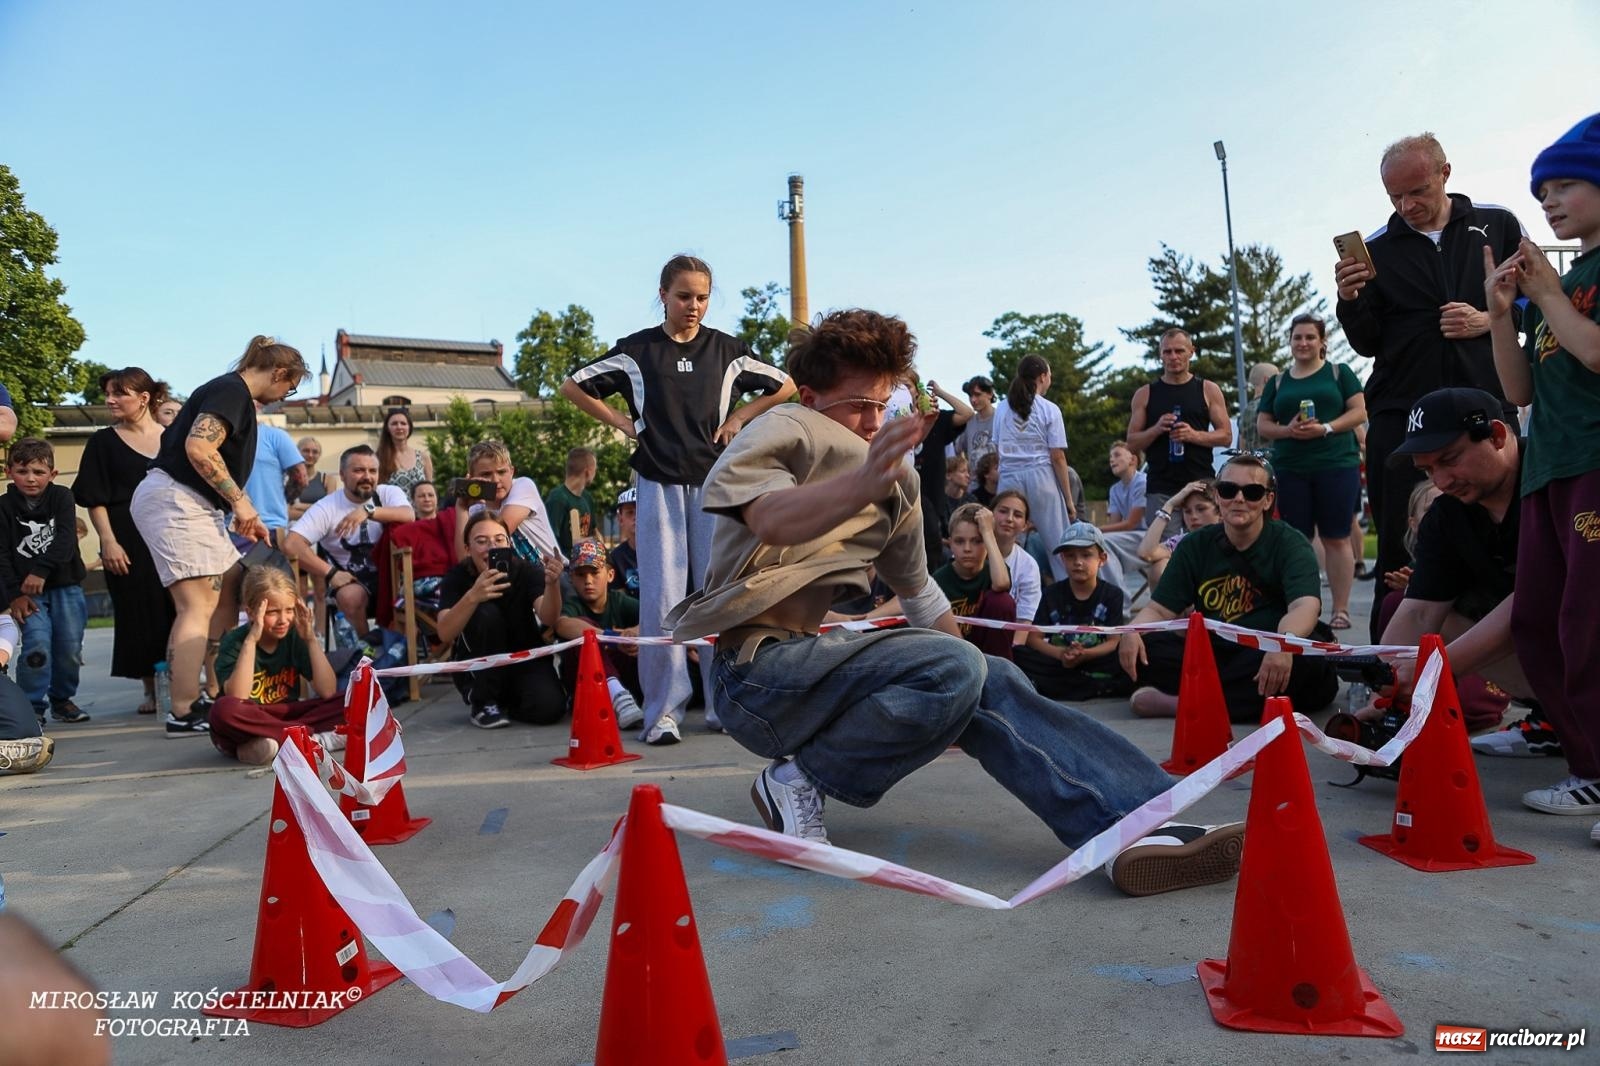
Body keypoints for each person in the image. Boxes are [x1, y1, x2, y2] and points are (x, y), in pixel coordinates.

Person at [665, 308, 1244, 896]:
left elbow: (920, 593)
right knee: (958, 667)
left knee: (975, 671)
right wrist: (857, 484)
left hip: (818, 668)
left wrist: (976, 680)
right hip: (755, 678)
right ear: (812, 396)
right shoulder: (785, 427)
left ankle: (1137, 823)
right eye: (858, 405)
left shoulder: (895, 482)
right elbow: (769, 518)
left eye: (882, 406)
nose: (871, 422)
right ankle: (799, 780)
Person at [559, 254, 795, 745]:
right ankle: (663, 710)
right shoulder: (637, 350)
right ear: (663, 294)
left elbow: (785, 385)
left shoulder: (727, 350)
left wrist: (739, 418)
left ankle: (722, 702)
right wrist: (624, 423)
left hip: (715, 482)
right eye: (684, 296)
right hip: (658, 479)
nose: (693, 306)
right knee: (664, 596)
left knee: (718, 591)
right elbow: (573, 385)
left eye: (702, 298)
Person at [1334, 132, 1525, 640]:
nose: (1407, 205)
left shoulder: (1497, 224)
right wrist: (1351, 299)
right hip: (1403, 414)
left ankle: (1512, 674)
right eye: (1394, 196)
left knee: (1510, 543)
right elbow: (1367, 340)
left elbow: (1536, 301)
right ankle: (1387, 675)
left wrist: (1487, 320)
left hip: (1485, 407)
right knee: (1400, 547)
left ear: (1445, 173)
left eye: (1417, 191)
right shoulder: (1376, 249)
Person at [1483, 114, 1600, 826]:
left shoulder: (1576, 280)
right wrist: (1503, 315)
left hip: (1594, 462)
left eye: (1565, 185)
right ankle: (1586, 763)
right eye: (1542, 191)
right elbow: (1521, 391)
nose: (1549, 201)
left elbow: (1595, 353)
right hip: (1548, 468)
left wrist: (1548, 293)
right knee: (1539, 621)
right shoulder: (1565, 280)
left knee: (1589, 622)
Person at [130, 335, 305, 736]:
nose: (283, 396)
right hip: (178, 499)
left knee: (227, 587)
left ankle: (216, 690)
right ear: (279, 373)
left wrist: (237, 510)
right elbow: (200, 447)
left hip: (194, 503)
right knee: (196, 604)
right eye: (289, 388)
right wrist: (242, 503)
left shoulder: (228, 392)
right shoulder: (233, 390)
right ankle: (184, 708)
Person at [1377, 389, 1546, 749]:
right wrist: (1387, 689)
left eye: (1450, 460)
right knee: (1417, 614)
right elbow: (1420, 611)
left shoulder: (1556, 478)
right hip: (1550, 647)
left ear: (1498, 436)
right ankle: (1554, 716)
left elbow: (1536, 596)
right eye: (1428, 469)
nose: (1441, 481)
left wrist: (1430, 674)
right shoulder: (1447, 514)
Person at [1118, 453, 1338, 722]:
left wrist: (1282, 644)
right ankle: (1226, 698)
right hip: (1215, 650)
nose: (1239, 499)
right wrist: (1132, 631)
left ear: (1268, 500)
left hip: (1266, 646)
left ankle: (1182, 703)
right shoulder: (1195, 544)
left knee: (1308, 666)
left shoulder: (1290, 543)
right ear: (1218, 496)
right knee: (1143, 646)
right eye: (1228, 490)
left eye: (1253, 492)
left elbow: (1306, 606)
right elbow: (1159, 609)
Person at [73, 368, 175, 715]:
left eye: (120, 393)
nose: (110, 400)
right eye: (108, 393)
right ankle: (153, 689)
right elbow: (93, 498)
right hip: (125, 540)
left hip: (172, 537)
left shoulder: (174, 437)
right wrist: (108, 542)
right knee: (139, 612)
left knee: (177, 610)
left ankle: (184, 684)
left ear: (144, 398)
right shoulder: (102, 442)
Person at [1256, 314, 1367, 630]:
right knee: (1296, 539)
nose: (1303, 343)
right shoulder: (1279, 381)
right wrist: (1288, 430)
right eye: (1297, 337)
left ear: (1322, 342)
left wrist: (1327, 428)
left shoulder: (1338, 372)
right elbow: (1263, 425)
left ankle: (1341, 609)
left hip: (1336, 463)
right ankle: (1301, 606)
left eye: (1309, 337)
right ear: (1289, 342)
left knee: (1336, 538)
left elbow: (1359, 411)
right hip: (1291, 467)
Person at [435, 512, 565, 729]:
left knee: (550, 709)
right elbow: (444, 633)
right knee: (486, 612)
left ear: (509, 543)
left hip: (524, 658)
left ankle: (507, 700)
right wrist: (472, 597)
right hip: (480, 664)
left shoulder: (526, 570)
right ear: (467, 549)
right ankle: (483, 700)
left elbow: (549, 617)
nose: (491, 547)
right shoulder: (457, 577)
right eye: (481, 541)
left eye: (499, 540)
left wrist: (552, 585)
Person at [209, 566, 344, 765]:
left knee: (349, 700)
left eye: (289, 610)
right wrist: (251, 641)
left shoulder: (295, 636)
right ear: (251, 612)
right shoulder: (235, 642)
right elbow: (237, 697)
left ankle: (271, 744)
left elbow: (328, 690)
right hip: (250, 720)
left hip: (287, 715)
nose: (283, 620)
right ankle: (309, 740)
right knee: (222, 710)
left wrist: (310, 639)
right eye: (272, 612)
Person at [0, 439, 90, 727]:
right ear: (8, 471)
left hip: (66, 586)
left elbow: (65, 540)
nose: (30, 478)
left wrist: (41, 571)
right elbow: (0, 554)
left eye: (39, 472)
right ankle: (32, 707)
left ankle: (62, 700)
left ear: (52, 474)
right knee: (37, 648)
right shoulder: (2, 507)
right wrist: (13, 595)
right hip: (27, 595)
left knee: (69, 648)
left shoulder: (62, 497)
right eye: (23, 470)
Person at [283, 444, 414, 640]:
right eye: (359, 470)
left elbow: (409, 514)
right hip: (350, 581)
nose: (367, 477)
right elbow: (291, 544)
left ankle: (402, 650)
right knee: (351, 596)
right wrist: (331, 573)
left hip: (392, 578)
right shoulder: (327, 507)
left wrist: (368, 511)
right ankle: (367, 648)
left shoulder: (387, 493)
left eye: (372, 471)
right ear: (342, 475)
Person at [1016, 522, 1132, 702]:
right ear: (1062, 559)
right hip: (1060, 660)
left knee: (1126, 655)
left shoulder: (1112, 594)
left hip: (1095, 658)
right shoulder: (1051, 593)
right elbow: (1033, 639)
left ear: (1102, 558)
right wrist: (1061, 654)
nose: (1078, 562)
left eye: (1086, 555)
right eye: (1070, 556)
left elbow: (1113, 642)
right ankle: (1095, 686)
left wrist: (1084, 655)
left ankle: (1066, 686)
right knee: (1020, 654)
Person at [1126, 329, 1232, 516]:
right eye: (1167, 351)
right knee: (1163, 545)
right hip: (1161, 487)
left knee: (1205, 542)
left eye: (1179, 351)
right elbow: (1132, 443)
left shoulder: (1208, 389)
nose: (1173, 357)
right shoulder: (1145, 394)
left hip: (1201, 483)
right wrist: (1156, 429)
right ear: (1160, 354)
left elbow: (1226, 436)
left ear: (1191, 351)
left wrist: (1193, 435)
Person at [994, 354, 1075, 580]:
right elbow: (1057, 457)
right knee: (1058, 543)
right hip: (1041, 478)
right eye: (1050, 375)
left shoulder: (1001, 408)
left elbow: (997, 449)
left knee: (1007, 543)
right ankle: (1066, 594)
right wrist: (1068, 499)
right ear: (1042, 377)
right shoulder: (1049, 409)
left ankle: (1007, 593)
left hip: (1009, 479)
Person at [553, 539, 643, 728]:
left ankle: (629, 697)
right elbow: (562, 624)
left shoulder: (619, 600)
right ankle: (617, 695)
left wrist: (634, 632)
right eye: (580, 574)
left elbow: (653, 617)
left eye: (594, 573)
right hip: (584, 687)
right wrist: (613, 637)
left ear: (610, 575)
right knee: (585, 633)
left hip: (626, 678)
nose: (588, 581)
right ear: (571, 578)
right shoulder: (573, 604)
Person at [929, 503, 1014, 658]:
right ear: (950, 543)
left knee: (1003, 601)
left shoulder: (995, 572)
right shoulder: (939, 579)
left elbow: (1002, 583)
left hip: (989, 652)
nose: (967, 548)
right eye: (960, 541)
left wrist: (988, 532)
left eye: (977, 541)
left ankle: (999, 670)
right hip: (954, 652)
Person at [910, 376, 975, 567]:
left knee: (930, 561)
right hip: (903, 503)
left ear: (917, 391)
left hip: (932, 502)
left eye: (908, 386)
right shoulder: (893, 420)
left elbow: (967, 413)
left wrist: (939, 393)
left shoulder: (937, 420)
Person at [1136, 479, 1221, 588]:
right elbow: (1146, 553)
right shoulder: (1183, 542)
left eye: (1201, 509)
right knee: (1159, 567)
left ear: (1220, 511)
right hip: (1189, 602)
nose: (1193, 516)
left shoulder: (1233, 537)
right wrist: (1169, 505)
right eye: (1187, 511)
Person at [243, 412, 306, 546]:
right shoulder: (275, 436)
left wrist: (282, 500)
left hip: (269, 527)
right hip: (228, 527)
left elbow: (300, 477)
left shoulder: (275, 435)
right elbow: (301, 477)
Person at [1098, 441, 1150, 597]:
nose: (1111, 460)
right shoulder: (1114, 489)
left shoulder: (1143, 482)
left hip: (1147, 537)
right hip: (1130, 538)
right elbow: (1115, 525)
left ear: (1133, 460)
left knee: (1103, 543)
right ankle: (1106, 598)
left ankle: (1120, 602)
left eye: (1117, 455)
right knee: (1095, 544)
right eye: (1110, 457)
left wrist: (1096, 529)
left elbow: (1131, 524)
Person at [990, 489, 1040, 646]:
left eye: (1017, 515)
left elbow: (1024, 621)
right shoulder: (971, 552)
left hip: (1006, 644)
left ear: (1025, 525)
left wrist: (1010, 656)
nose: (1009, 519)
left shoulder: (1029, 566)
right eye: (1003, 511)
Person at [544, 447, 598, 556]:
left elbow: (594, 533)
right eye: (595, 469)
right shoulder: (558, 498)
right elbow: (549, 539)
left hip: (585, 564)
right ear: (588, 472)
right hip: (565, 566)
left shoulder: (587, 498)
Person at [376, 407, 433, 494]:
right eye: (394, 424)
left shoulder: (423, 457)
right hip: (390, 507)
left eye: (403, 423)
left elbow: (430, 491)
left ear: (409, 427)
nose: (399, 427)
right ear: (387, 428)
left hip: (418, 508)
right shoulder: (379, 458)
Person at [287, 436, 338, 519]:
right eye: (306, 451)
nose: (310, 455)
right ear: (297, 452)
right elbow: (286, 513)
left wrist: (299, 506)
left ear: (319, 455)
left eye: (315, 452)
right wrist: (317, 511)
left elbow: (330, 510)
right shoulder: (288, 479)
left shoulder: (327, 480)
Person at [1235, 362, 1279, 455]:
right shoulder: (1273, 406)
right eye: (1277, 378)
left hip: (1253, 465)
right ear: (1267, 380)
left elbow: (1242, 447)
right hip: (1273, 464)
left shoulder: (1245, 412)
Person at [954, 375, 998, 470]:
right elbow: (957, 451)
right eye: (970, 395)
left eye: (977, 395)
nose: (973, 400)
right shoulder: (968, 421)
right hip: (974, 482)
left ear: (990, 394)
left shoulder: (1001, 419)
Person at [609, 486, 639, 595]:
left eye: (641, 510)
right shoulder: (616, 558)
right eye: (630, 512)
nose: (636, 517)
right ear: (620, 519)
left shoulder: (665, 553)